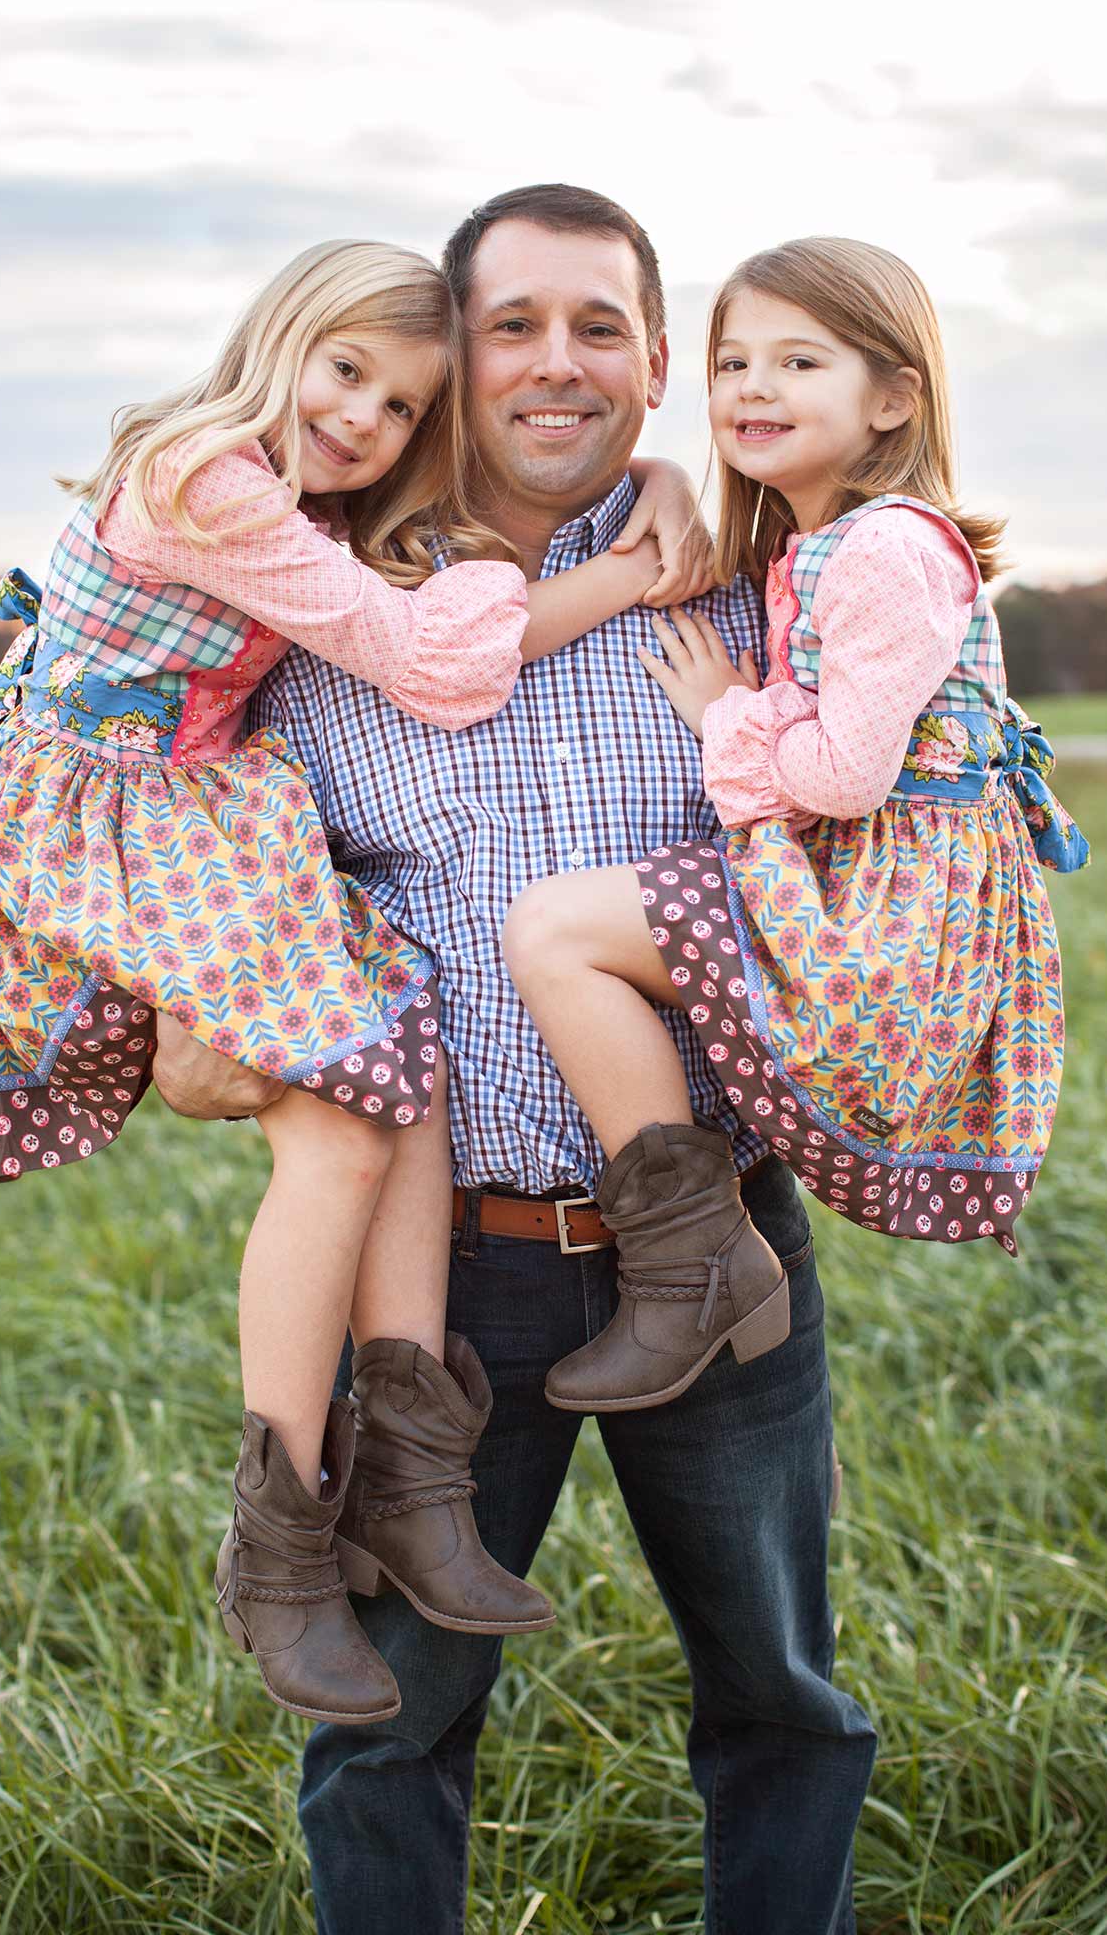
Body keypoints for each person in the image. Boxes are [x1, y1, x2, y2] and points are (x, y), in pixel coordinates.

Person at [218, 187, 875, 1935]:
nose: (556, 363)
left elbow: (889, 870)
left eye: (599, 327)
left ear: (658, 363)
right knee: (390, 1729)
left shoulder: (758, 607)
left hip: (718, 1241)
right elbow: (210, 988)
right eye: (512, 324)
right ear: (454, 358)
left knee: (782, 1697)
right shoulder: (327, 621)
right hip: (449, 1283)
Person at [0, 239, 708, 1728]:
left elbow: (445, 570)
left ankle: (414, 1477)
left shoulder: (313, 504)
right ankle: (280, 1539)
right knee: (343, 1128)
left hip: (196, 812)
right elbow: (426, 663)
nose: (364, 418)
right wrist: (623, 570)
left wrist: (658, 479)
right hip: (111, 819)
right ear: (278, 338)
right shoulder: (206, 478)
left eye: (404, 404)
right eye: (346, 372)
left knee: (399, 1042)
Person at [504, 236, 1089, 1417]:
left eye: (798, 361)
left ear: (891, 398)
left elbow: (844, 775)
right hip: (866, 885)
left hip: (882, 911)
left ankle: (697, 1261)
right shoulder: (816, 546)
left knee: (555, 930)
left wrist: (729, 711)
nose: (752, 388)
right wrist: (662, 482)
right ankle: (696, 1255)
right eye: (731, 363)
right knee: (561, 929)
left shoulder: (883, 548)